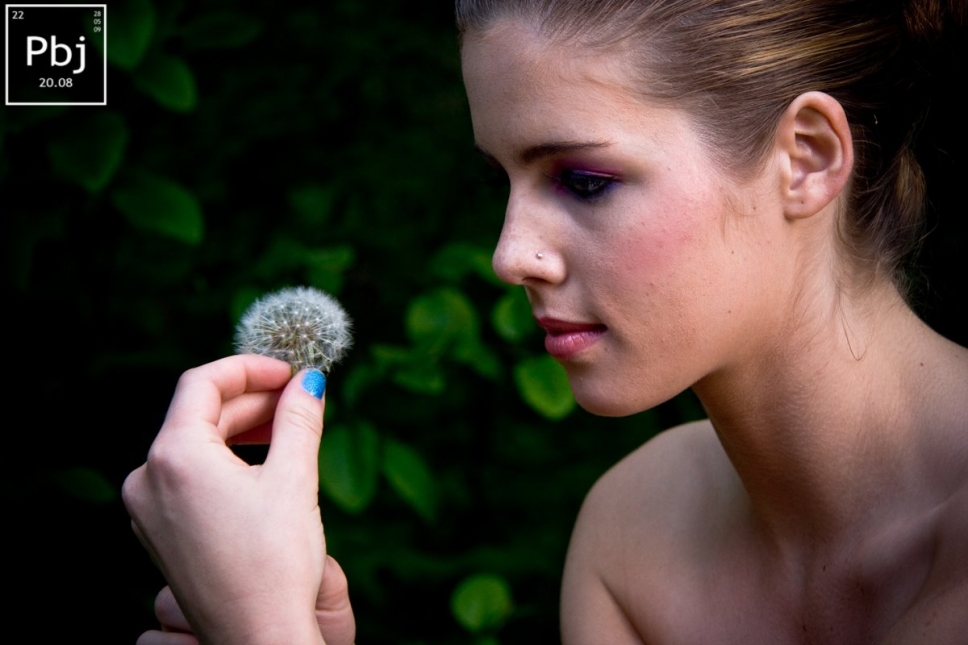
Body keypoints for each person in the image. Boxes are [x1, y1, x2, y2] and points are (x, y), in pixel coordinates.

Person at [123, 0, 968, 643]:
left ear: (807, 159)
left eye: (584, 180)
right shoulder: (632, 534)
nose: (508, 254)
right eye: (505, 179)